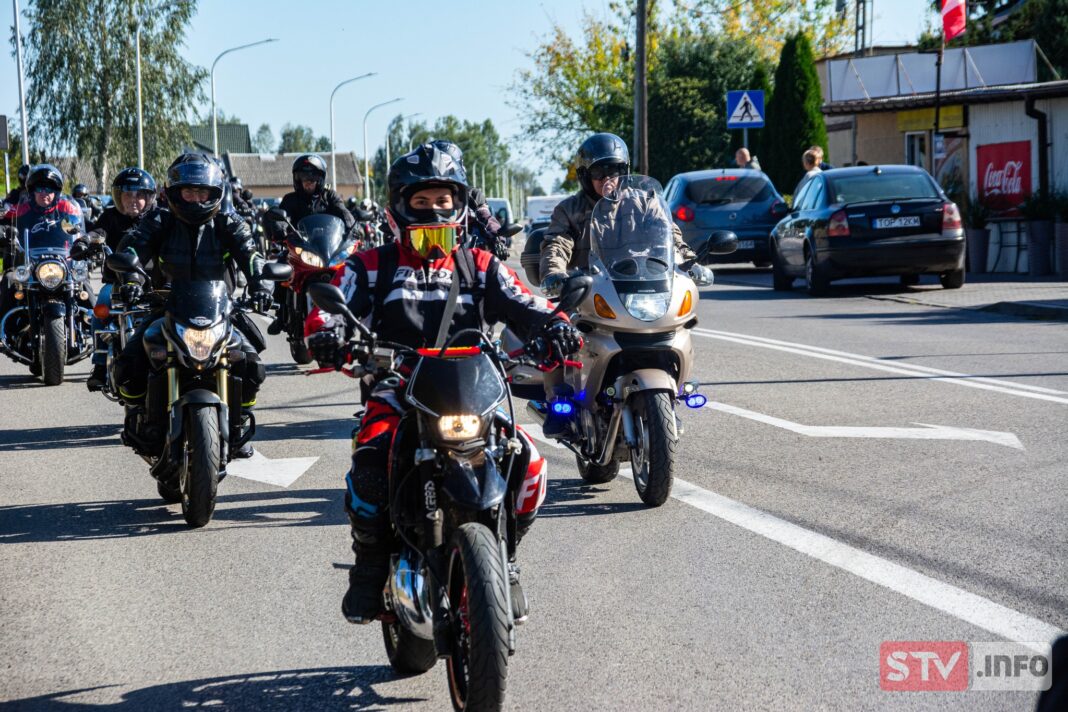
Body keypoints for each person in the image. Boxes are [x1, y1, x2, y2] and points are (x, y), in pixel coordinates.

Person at [305, 141, 580, 624]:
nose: (434, 211)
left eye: (443, 201)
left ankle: (506, 558)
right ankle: (369, 565)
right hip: (397, 386)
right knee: (370, 455)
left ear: (460, 205)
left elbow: (527, 304)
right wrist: (328, 335)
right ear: (399, 207)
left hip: (475, 388)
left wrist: (558, 325)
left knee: (530, 463)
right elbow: (328, 306)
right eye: (421, 202)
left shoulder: (482, 265)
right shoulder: (373, 265)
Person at [537, 132, 707, 437]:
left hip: (637, 281)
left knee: (678, 324)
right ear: (586, 177)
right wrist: (555, 274)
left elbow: (670, 235)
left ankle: (669, 397)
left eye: (614, 171)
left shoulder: (645, 201)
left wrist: (690, 263)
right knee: (557, 329)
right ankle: (558, 400)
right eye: (600, 174)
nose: (608, 180)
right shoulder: (570, 209)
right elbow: (557, 243)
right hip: (588, 287)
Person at [112, 153, 271, 458]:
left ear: (215, 194)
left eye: (203, 193)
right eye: (189, 191)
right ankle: (140, 416)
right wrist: (130, 279)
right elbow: (133, 247)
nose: (196, 200)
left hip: (221, 311)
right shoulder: (159, 220)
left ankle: (236, 424)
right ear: (173, 192)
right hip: (165, 306)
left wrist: (261, 284)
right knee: (128, 366)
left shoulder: (228, 223)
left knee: (251, 365)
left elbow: (252, 256)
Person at [84, 167, 157, 390]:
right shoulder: (110, 217)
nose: (133, 200)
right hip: (116, 282)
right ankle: (98, 364)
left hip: (152, 284)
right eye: (127, 195)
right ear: (119, 197)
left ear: (148, 197)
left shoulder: (158, 218)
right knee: (101, 306)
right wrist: (85, 241)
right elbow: (97, 232)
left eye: (139, 195)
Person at [0, 164, 87, 334]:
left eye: (49, 188)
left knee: (85, 288)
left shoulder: (66, 209)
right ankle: (4, 331)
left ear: (57, 191)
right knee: (8, 285)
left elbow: (81, 228)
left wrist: (86, 240)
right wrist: (4, 232)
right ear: (32, 191)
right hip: (30, 262)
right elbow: (5, 221)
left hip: (63, 262)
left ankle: (98, 329)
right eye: (39, 188)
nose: (44, 193)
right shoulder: (22, 210)